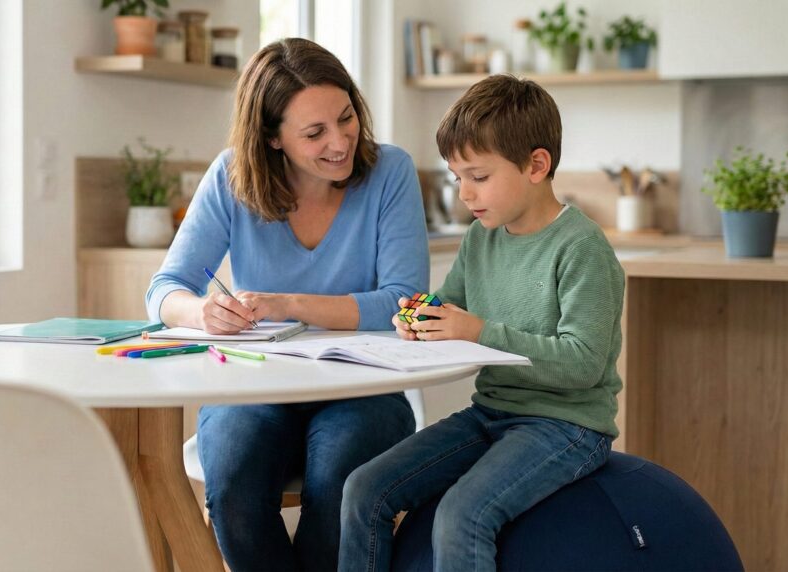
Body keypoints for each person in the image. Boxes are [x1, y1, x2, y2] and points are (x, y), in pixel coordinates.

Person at [145, 38, 429, 572]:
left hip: (363, 388)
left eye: (346, 118)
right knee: (232, 489)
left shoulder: (390, 171)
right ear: (272, 138)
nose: (341, 142)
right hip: (256, 383)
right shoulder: (232, 178)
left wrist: (286, 303)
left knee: (341, 487)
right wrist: (200, 311)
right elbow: (165, 289)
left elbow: (403, 301)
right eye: (315, 132)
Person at [338, 75, 625, 572]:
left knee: (462, 514)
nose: (465, 194)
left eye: (479, 176)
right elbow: (449, 307)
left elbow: (582, 365)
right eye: (457, 178)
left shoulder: (582, 249)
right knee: (364, 489)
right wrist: (419, 318)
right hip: (492, 412)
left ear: (537, 165)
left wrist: (477, 331)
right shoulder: (481, 238)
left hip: (567, 426)